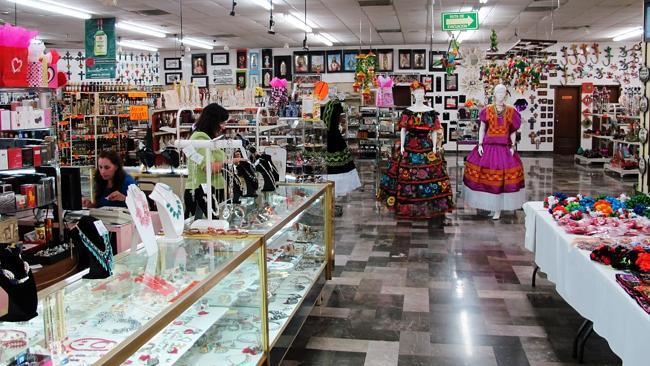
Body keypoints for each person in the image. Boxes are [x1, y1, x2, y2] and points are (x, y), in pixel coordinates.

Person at [378, 81, 454, 219]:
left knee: (429, 174)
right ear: (413, 94)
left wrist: (435, 146)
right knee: (407, 173)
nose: (419, 95)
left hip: (426, 145)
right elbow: (403, 130)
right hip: (410, 144)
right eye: (417, 93)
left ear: (424, 94)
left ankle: (429, 203)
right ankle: (407, 204)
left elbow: (434, 131)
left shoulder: (430, 112)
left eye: (421, 92)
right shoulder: (408, 112)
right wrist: (401, 146)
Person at [463, 83, 525, 220]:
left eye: (503, 93)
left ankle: (498, 209)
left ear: (506, 95)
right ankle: (492, 207)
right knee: (486, 178)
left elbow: (513, 130)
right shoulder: (487, 110)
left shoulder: (511, 111)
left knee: (501, 179)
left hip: (503, 148)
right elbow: (482, 129)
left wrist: (513, 146)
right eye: (498, 92)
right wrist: (479, 144)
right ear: (494, 94)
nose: (501, 95)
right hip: (489, 147)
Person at [184, 103, 243, 218]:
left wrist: (230, 159)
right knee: (204, 230)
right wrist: (230, 161)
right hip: (201, 193)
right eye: (222, 123)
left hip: (211, 191)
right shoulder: (201, 139)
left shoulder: (210, 139)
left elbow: (217, 161)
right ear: (213, 122)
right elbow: (208, 167)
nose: (224, 127)